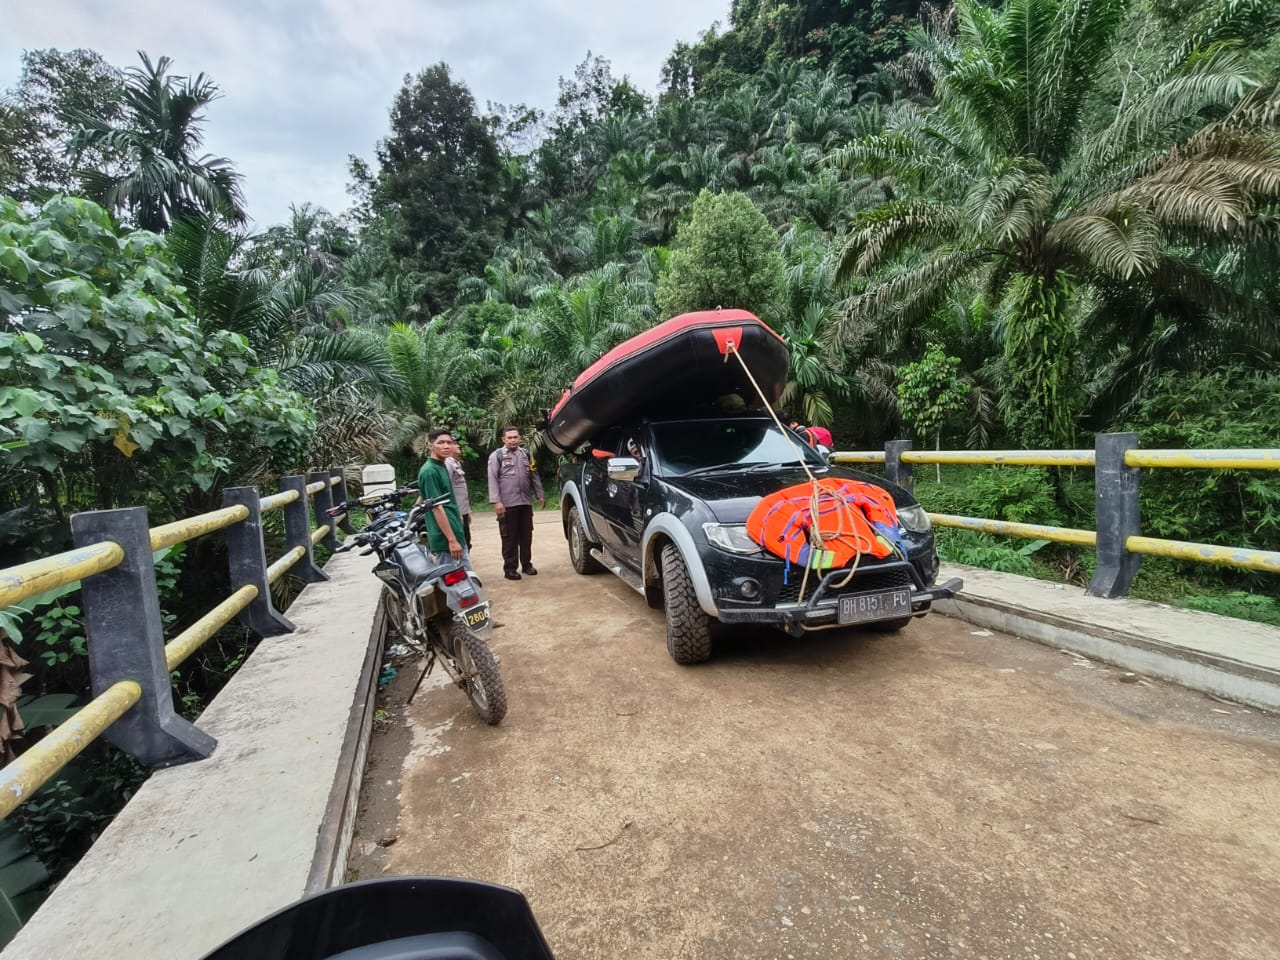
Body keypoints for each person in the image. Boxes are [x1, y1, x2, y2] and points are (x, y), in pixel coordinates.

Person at [487, 426, 545, 580]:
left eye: (515, 437)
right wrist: (497, 501)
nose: (513, 440)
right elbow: (492, 479)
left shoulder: (525, 454)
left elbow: (534, 475)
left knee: (526, 535)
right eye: (509, 437)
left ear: (520, 438)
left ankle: (527, 565)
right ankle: (510, 569)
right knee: (509, 537)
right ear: (504, 439)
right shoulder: (497, 456)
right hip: (507, 505)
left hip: (525, 503)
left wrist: (540, 494)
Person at [417, 428, 470, 569]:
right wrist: (451, 540)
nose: (446, 446)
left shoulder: (442, 466)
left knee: (465, 582)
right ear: (431, 446)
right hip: (445, 540)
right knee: (458, 586)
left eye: (449, 442)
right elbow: (436, 508)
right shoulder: (430, 471)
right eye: (441, 443)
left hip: (455, 530)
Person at [444, 438, 472, 549]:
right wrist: (456, 512)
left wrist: (467, 512)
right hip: (456, 510)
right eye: (455, 444)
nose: (458, 446)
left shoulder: (456, 463)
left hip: (463, 509)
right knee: (461, 540)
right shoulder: (448, 463)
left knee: (466, 538)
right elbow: (447, 488)